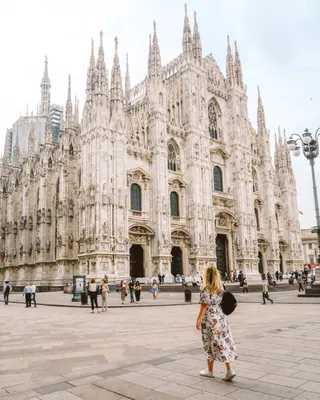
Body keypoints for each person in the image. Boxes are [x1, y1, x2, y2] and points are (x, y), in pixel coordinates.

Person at [196, 265, 237, 381]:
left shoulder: (205, 287)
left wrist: (198, 318)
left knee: (209, 342)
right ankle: (225, 369)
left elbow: (204, 305)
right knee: (222, 341)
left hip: (210, 318)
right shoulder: (221, 286)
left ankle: (214, 371)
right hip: (221, 317)